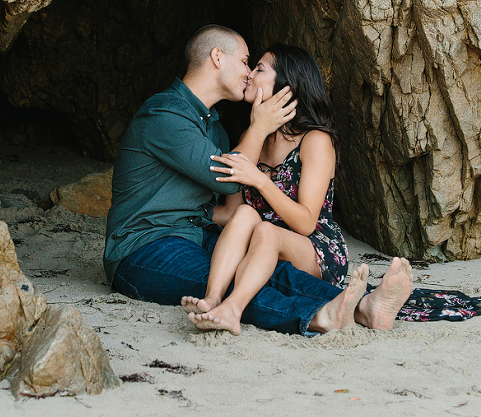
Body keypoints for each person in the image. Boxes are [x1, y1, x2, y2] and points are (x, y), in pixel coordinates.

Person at [105, 24, 414, 335]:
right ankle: (320, 315)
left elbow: (232, 203)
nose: (248, 73)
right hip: (143, 246)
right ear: (217, 57)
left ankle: (361, 307)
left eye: (255, 66)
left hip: (192, 237)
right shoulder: (166, 114)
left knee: (259, 267)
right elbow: (229, 182)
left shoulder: (215, 129)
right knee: (236, 278)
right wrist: (259, 128)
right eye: (244, 62)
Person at [182, 44, 412, 335]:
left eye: (259, 69)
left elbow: (305, 222)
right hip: (262, 240)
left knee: (264, 229)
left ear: (287, 87)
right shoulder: (251, 138)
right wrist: (179, 213)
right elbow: (230, 213)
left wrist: (260, 180)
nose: (249, 75)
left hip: (313, 245)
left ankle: (233, 309)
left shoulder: (315, 140)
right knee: (244, 215)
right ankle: (212, 299)